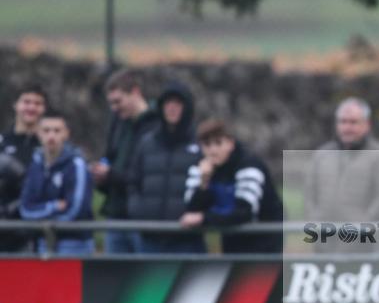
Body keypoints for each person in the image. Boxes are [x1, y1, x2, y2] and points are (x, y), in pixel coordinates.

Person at [181, 119, 283, 254]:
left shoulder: (249, 165)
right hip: (231, 243)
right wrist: (204, 181)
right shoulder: (201, 167)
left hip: (263, 244)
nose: (213, 150)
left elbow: (245, 213)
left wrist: (205, 218)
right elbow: (191, 210)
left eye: (218, 143)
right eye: (207, 144)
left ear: (230, 143)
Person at [303, 97, 379, 252]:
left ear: (367, 125)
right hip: (324, 244)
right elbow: (310, 195)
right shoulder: (321, 155)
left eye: (353, 122)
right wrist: (315, 222)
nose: (347, 127)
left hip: (365, 246)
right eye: (343, 122)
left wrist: (359, 228)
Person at [128, 81, 205, 254]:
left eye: (178, 103)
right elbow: (133, 182)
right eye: (168, 103)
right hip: (150, 239)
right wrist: (139, 211)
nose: (172, 108)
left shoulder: (200, 145)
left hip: (187, 239)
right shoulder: (146, 143)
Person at [91, 68, 160, 253]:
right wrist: (101, 176)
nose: (114, 108)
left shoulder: (157, 126)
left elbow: (148, 174)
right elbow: (111, 156)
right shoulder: (118, 122)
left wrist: (111, 175)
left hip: (140, 218)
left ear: (135, 92)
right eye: (111, 103)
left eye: (118, 101)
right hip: (116, 214)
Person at [19, 110, 94, 255]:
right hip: (42, 241)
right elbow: (26, 208)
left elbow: (76, 210)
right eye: (46, 131)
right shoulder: (35, 164)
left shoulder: (76, 164)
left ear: (66, 133)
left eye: (57, 130)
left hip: (73, 242)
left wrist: (44, 217)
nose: (51, 136)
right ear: (38, 133)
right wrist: (53, 206)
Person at [0, 83, 47, 251]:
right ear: (16, 105)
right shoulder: (3, 142)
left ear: (43, 109)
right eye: (27, 102)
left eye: (37, 103)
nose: (31, 107)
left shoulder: (49, 145)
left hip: (35, 229)